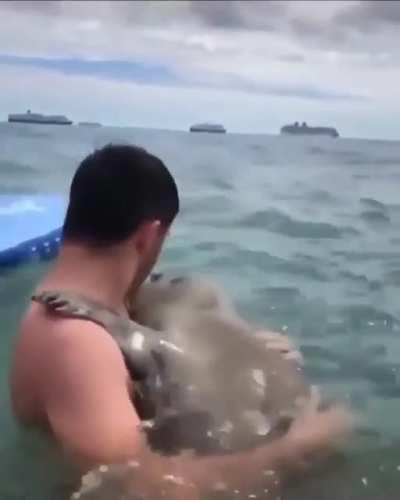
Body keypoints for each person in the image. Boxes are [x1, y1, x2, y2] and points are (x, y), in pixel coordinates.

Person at [10, 144, 353, 498]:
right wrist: (292, 451)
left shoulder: (96, 306)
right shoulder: (75, 340)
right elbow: (143, 487)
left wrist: (247, 350)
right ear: (147, 236)